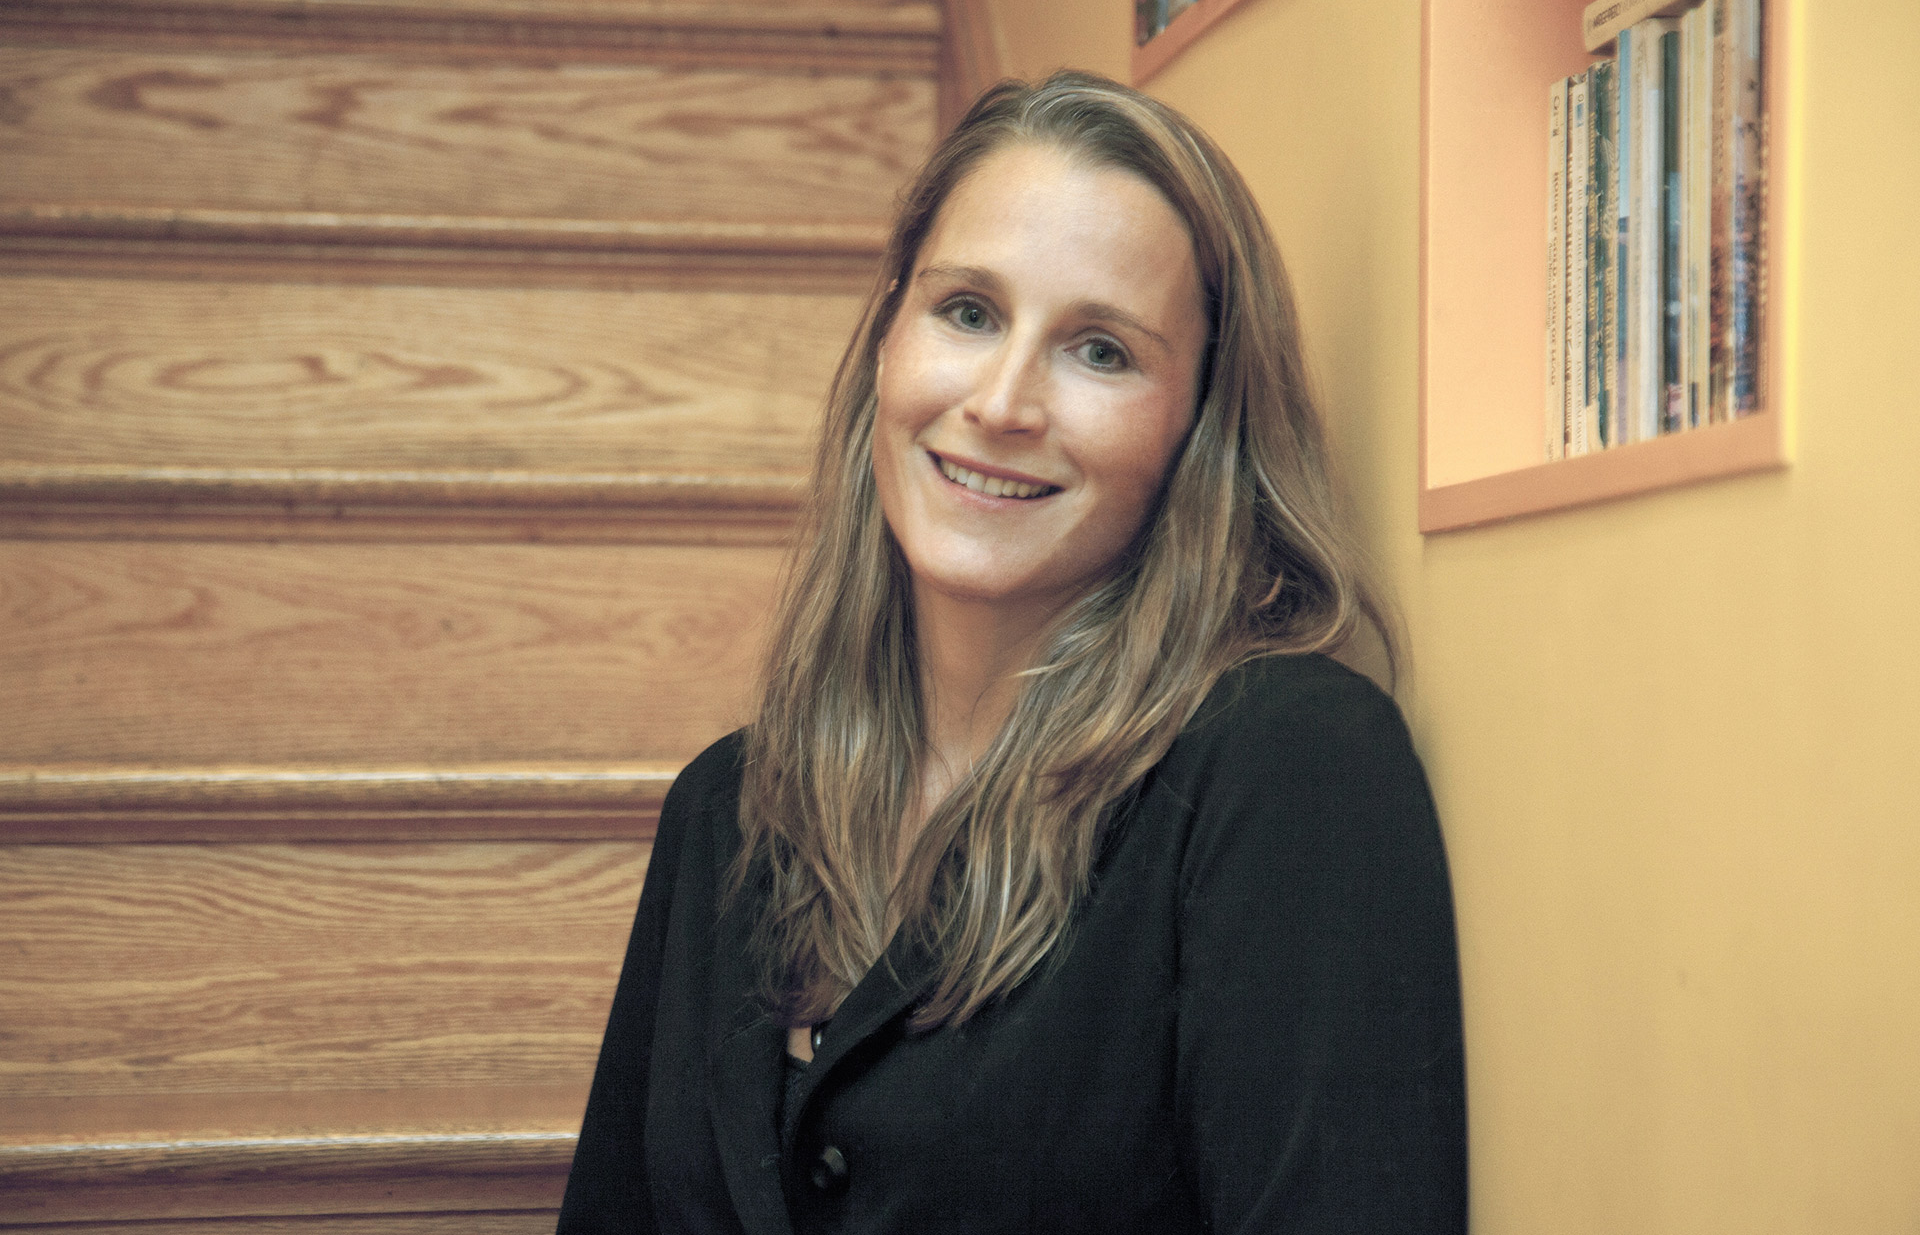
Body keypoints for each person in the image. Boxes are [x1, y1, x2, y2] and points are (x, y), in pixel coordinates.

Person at [557, 72, 1466, 1234]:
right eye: (969, 312)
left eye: (1099, 350)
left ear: (1201, 429)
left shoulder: (1288, 766)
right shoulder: (724, 807)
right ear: (888, 341)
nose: (1002, 401)